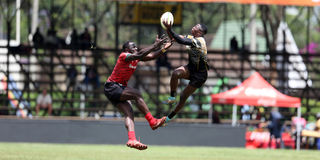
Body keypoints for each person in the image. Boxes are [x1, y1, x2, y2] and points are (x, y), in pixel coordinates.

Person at [104, 35, 172, 150]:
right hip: (113, 87)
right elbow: (140, 54)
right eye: (133, 46)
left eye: (136, 46)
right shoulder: (124, 55)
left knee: (129, 113)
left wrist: (164, 48)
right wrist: (154, 45)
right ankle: (152, 121)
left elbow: (152, 56)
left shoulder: (136, 57)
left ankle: (132, 139)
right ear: (126, 50)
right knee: (137, 94)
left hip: (116, 89)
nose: (135, 48)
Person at [159, 21, 209, 126]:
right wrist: (168, 30)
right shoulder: (192, 38)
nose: (193, 26)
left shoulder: (199, 41)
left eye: (196, 26)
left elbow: (180, 40)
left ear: (199, 32)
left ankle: (168, 118)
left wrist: (169, 29)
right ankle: (172, 98)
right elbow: (176, 37)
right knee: (175, 73)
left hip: (200, 75)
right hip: (191, 68)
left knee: (183, 97)